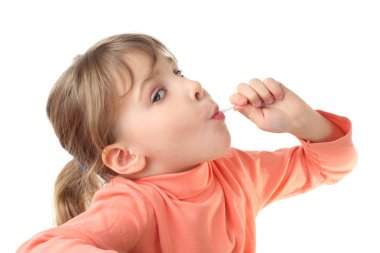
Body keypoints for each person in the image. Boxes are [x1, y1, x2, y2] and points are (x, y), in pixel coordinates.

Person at [17, 33, 357, 253]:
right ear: (124, 157)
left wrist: (302, 121)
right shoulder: (134, 203)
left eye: (178, 72)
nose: (194, 85)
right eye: (158, 94)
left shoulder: (236, 172)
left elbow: (328, 165)